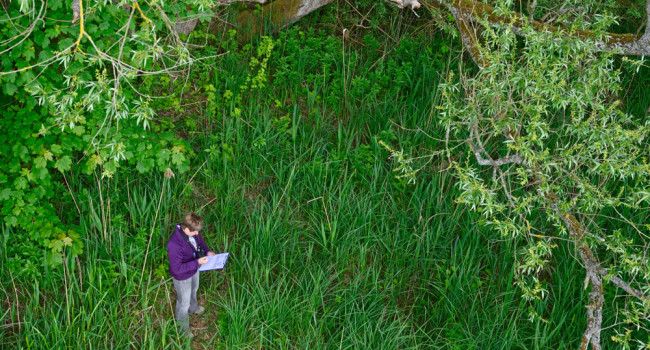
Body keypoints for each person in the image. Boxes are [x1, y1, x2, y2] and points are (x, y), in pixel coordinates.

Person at [167, 212, 216, 337]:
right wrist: (198, 262)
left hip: (194, 268)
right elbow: (177, 269)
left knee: (194, 289)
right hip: (182, 277)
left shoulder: (192, 232)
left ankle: (193, 308)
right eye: (195, 232)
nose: (197, 234)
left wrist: (207, 251)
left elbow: (199, 241)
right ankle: (183, 330)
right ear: (186, 229)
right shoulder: (174, 245)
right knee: (183, 302)